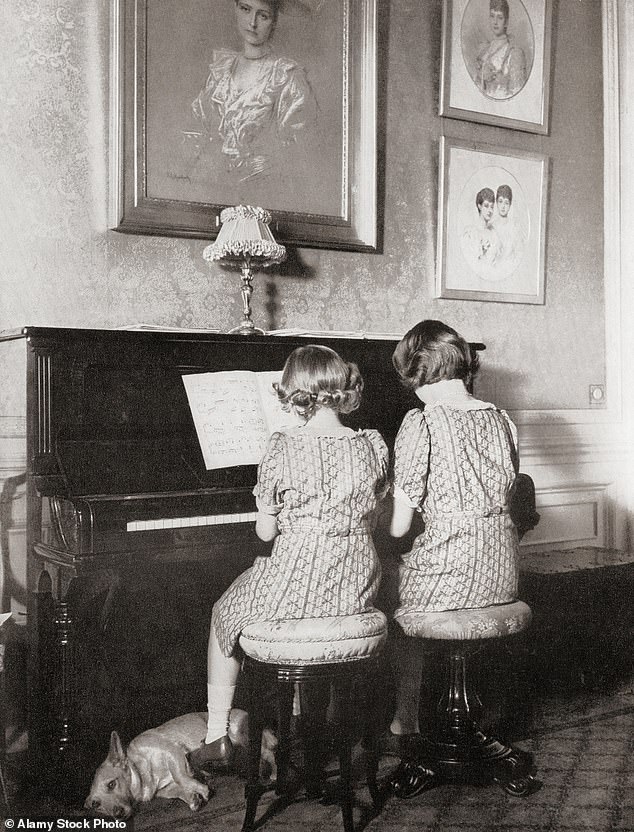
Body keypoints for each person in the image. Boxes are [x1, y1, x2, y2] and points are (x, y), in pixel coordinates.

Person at [188, 344, 389, 769]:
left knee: (224, 610)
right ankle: (305, 724)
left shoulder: (282, 446)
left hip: (297, 582)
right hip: (356, 586)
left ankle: (217, 734)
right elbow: (376, 515)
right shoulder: (372, 444)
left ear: (295, 394)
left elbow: (266, 531)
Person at [387, 320, 521, 796]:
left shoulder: (419, 422)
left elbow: (400, 528)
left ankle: (404, 720)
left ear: (417, 374)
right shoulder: (501, 418)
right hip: (501, 575)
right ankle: (452, 713)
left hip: (448, 574)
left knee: (387, 584)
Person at [191, 0, 317, 187]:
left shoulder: (286, 77)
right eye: (245, 9)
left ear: (274, 22)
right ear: (236, 9)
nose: (252, 23)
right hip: (213, 184)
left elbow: (300, 151)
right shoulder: (221, 71)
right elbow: (200, 130)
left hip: (265, 187)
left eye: (263, 15)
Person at [475, 0, 527, 100]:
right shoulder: (483, 49)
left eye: (500, 17)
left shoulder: (514, 53)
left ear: (506, 22)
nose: (495, 22)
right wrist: (481, 75)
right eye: (492, 16)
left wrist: (496, 79)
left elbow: (517, 94)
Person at [460, 187, 502, 277]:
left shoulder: (494, 234)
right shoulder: (470, 233)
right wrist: (482, 253)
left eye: (492, 207)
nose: (490, 210)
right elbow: (469, 263)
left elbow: (498, 264)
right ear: (479, 206)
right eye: (486, 206)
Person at [493, 183, 524, 275]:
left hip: (510, 271)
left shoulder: (515, 227)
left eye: (506, 203)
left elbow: (519, 254)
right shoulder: (491, 226)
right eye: (500, 201)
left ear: (510, 205)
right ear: (496, 202)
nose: (503, 206)